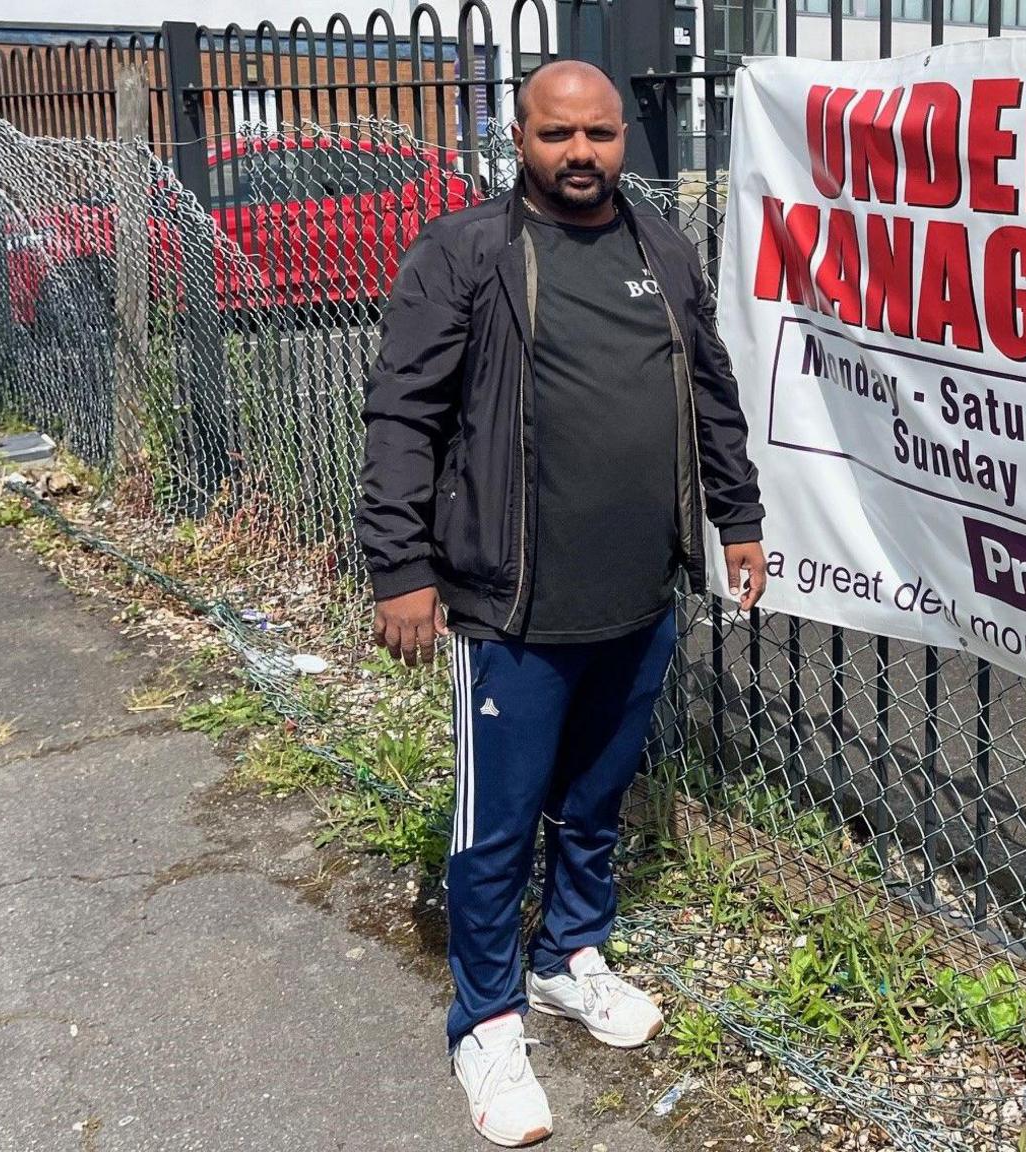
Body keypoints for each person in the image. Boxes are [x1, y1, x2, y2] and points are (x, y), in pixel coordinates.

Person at [355, 59, 767, 1148]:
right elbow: (402, 413)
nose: (578, 154)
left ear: (624, 133)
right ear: (518, 139)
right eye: (554, 135)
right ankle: (484, 1022)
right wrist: (399, 567)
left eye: (597, 134)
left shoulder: (659, 247)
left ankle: (564, 958)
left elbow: (709, 390)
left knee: (595, 800)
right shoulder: (468, 253)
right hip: (510, 608)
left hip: (638, 596)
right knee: (494, 830)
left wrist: (737, 518)